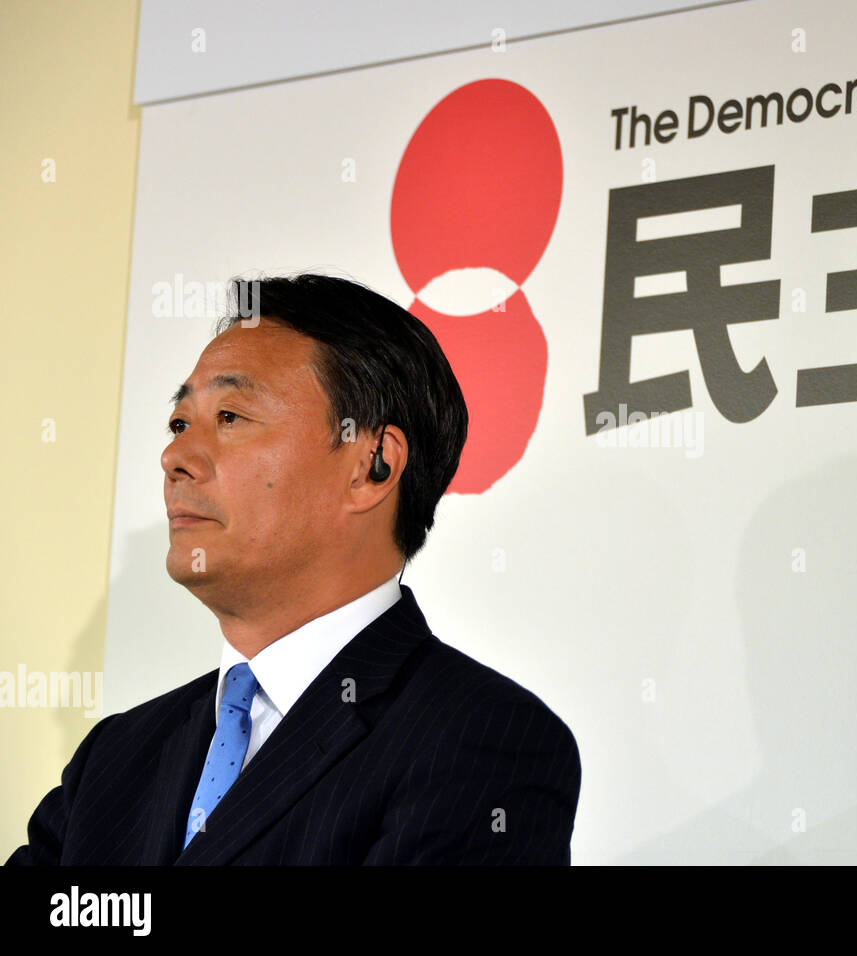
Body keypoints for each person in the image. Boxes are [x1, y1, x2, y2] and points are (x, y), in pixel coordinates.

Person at [6, 273, 580, 865]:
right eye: (180, 422)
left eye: (230, 416)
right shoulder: (115, 759)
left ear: (371, 465)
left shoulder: (483, 741)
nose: (174, 456)